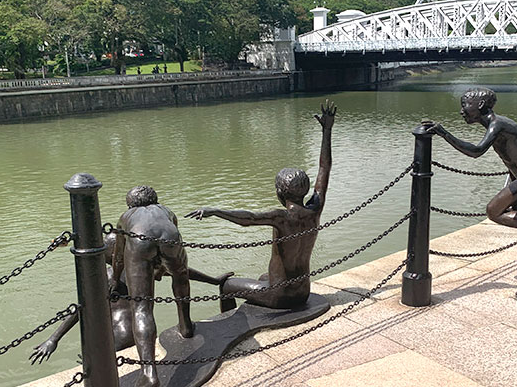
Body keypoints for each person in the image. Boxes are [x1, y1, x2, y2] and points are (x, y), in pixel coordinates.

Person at [186, 100, 336, 310]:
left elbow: (248, 219)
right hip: (303, 292)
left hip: (281, 295)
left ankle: (230, 325)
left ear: (279, 192)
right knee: (262, 276)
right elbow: (324, 169)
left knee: (227, 285)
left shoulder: (282, 218)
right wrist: (326, 131)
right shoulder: (314, 209)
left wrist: (215, 211)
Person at [427, 88, 517, 303]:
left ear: (479, 106)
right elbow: (516, 158)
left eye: (465, 105)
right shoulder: (495, 125)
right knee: (493, 210)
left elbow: (476, 151)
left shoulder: (498, 124)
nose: (461, 111)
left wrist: (444, 133)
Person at [28, 232, 231, 368]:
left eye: (105, 249)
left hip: (116, 336)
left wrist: (53, 339)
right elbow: (183, 272)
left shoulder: (106, 275)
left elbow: (80, 309)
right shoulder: (143, 269)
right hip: (136, 332)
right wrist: (214, 281)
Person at [112, 186, 231, 387]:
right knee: (180, 277)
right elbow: (172, 259)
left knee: (141, 308)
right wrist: (159, 268)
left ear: (130, 204)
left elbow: (118, 257)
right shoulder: (166, 210)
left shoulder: (126, 216)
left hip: (139, 243)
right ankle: (185, 325)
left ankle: (149, 373)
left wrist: (115, 279)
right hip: (170, 236)